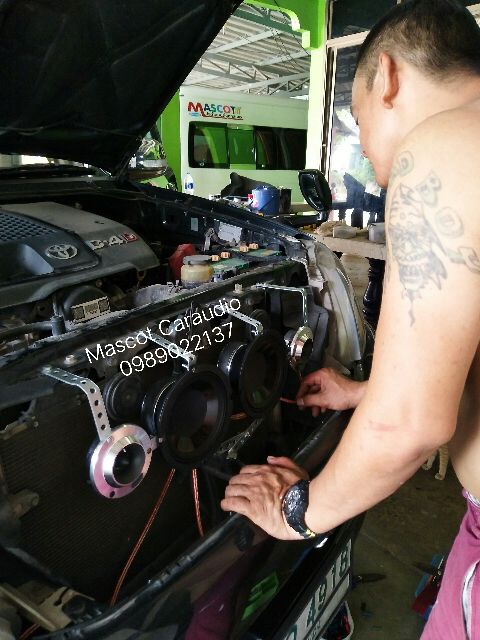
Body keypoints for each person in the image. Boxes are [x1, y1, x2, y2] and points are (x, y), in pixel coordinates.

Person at [221, 1, 480, 637]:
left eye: (359, 123)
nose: (364, 151)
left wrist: (297, 513)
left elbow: (410, 423)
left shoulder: (443, 143)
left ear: (387, 76)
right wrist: (368, 391)